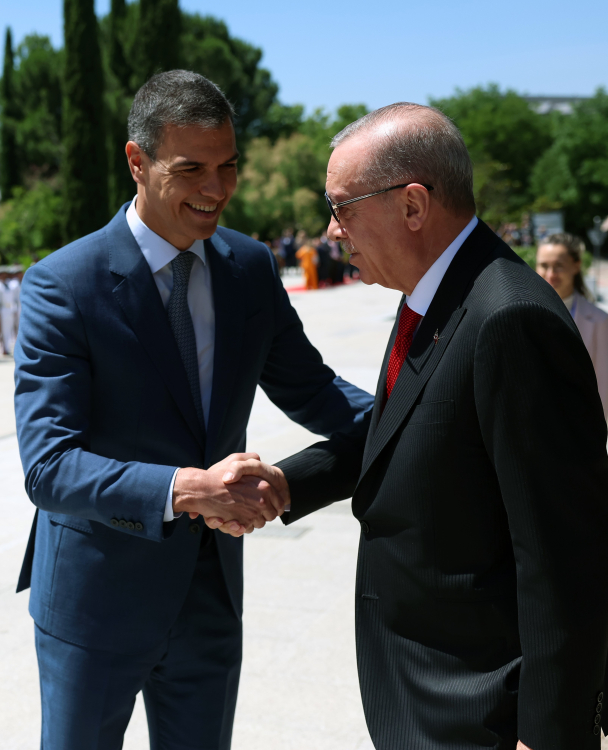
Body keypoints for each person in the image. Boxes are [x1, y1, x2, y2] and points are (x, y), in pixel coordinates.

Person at [218, 103, 608, 749]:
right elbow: (403, 430)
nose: (331, 230)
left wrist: (547, 734)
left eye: (342, 207)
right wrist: (287, 483)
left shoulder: (509, 319)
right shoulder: (434, 294)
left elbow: (565, 555)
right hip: (425, 696)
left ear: (413, 206)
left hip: (482, 708)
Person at [14, 70, 373, 750]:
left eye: (228, 165)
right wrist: (186, 488)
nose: (217, 188)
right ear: (137, 161)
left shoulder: (249, 268)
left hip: (209, 597)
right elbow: (49, 467)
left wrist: (422, 416)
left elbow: (315, 392)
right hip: (95, 603)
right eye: (192, 170)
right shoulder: (63, 284)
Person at [536, 233, 608, 418]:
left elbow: (603, 385)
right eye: (544, 265)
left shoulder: (599, 320)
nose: (550, 274)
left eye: (559, 266)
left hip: (580, 424)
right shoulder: (520, 314)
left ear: (576, 265)